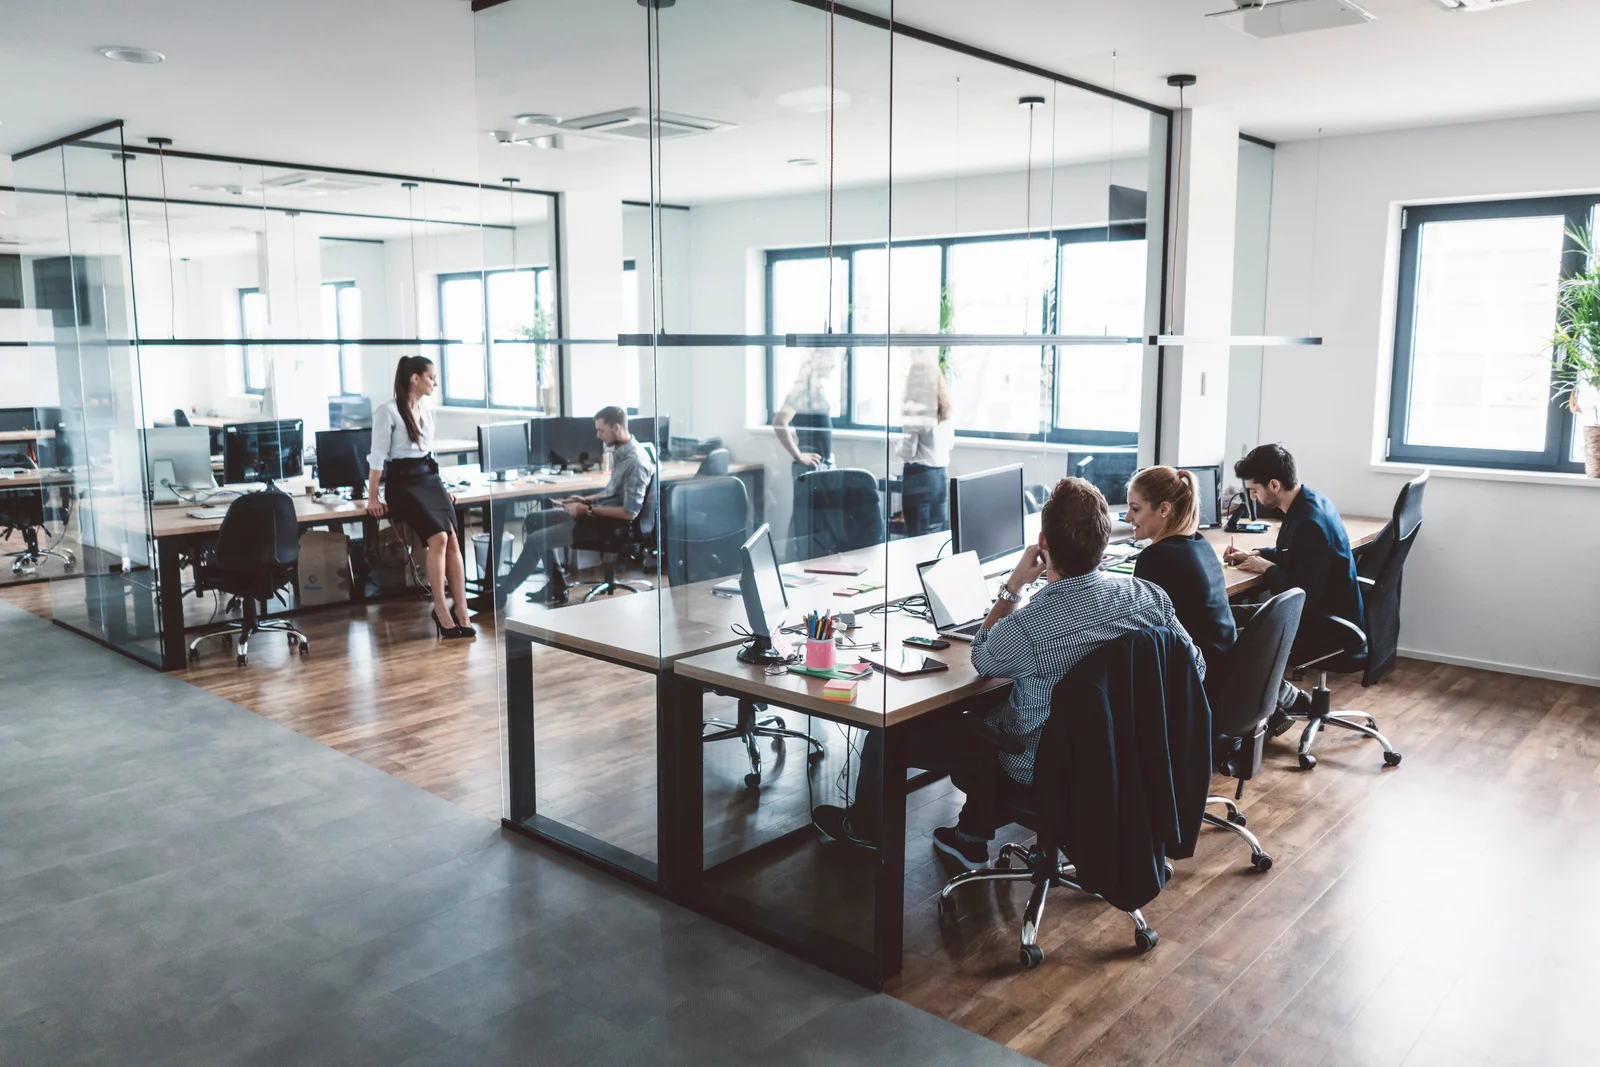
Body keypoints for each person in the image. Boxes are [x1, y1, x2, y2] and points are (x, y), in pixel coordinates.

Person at [811, 477, 1204, 869]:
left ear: (1043, 543)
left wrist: (1013, 586)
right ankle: (970, 836)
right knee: (998, 708)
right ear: (1103, 544)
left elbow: (983, 659)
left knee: (888, 737)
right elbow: (1195, 668)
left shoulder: (1031, 627)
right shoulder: (1149, 597)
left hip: (1040, 765)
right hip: (1126, 757)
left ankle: (865, 829)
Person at [1222, 443, 1364, 733]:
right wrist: (1256, 555)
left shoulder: (1309, 523)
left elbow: (1304, 596)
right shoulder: (1308, 503)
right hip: (1327, 612)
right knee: (1225, 616)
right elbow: (1296, 555)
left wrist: (1267, 568)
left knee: (1231, 634)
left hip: (1326, 626)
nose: (1253, 497)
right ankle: (1278, 705)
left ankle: (1272, 709)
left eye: (1254, 490)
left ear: (1274, 485)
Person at [497, 405, 655, 608]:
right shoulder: (622, 453)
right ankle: (556, 585)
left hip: (609, 525)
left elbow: (629, 513)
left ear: (616, 428)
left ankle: (501, 593)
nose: (598, 435)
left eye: (601, 430)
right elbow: (613, 494)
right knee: (534, 520)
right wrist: (586, 499)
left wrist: (586, 510)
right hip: (596, 515)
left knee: (536, 541)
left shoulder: (635, 461)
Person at [366, 355, 473, 639]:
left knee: (453, 539)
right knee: (438, 538)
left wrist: (443, 487)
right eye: (432, 377)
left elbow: (429, 453)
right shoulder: (387, 412)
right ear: (415, 378)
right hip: (403, 483)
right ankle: (441, 609)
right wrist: (373, 498)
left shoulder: (426, 409)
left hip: (429, 479)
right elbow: (377, 457)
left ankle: (462, 609)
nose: (435, 383)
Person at [1127, 465, 1236, 696]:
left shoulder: (1156, 557)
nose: (1128, 517)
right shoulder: (1200, 543)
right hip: (1227, 672)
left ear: (1164, 508)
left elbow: (1140, 633)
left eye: (1135, 509)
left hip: (1198, 682)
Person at [898, 360, 955, 536]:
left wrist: (897, 447)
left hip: (919, 477)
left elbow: (908, 452)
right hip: (941, 477)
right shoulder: (945, 411)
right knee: (936, 534)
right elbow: (950, 444)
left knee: (916, 537)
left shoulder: (916, 412)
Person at [773, 351, 837, 480]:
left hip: (822, 464)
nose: (833, 364)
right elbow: (779, 422)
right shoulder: (802, 391)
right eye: (829, 358)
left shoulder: (817, 391)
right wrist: (799, 456)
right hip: (811, 467)